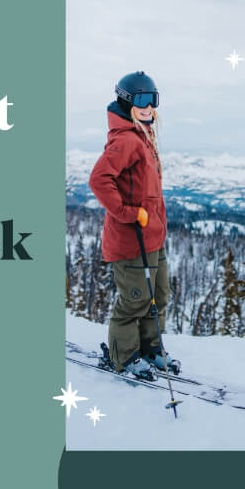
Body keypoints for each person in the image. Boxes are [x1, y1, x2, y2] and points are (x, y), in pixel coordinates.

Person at [89, 71, 180, 380]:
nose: (148, 107)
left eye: (153, 100)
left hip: (153, 236)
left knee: (159, 295)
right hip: (131, 240)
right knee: (136, 300)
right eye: (142, 100)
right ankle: (123, 357)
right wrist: (129, 213)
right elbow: (99, 179)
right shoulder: (127, 139)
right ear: (127, 101)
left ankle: (151, 349)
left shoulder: (144, 135)